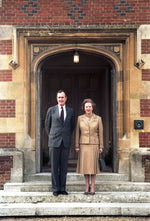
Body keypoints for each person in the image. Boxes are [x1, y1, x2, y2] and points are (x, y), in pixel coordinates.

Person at [45, 89, 75, 196]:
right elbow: (47, 126)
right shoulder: (51, 110)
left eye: (62, 97)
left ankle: (62, 188)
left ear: (66, 98)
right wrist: (53, 136)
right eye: (59, 97)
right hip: (54, 142)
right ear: (56, 98)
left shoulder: (71, 111)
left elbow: (72, 126)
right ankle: (55, 189)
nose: (61, 99)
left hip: (65, 142)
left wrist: (65, 136)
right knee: (54, 167)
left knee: (63, 167)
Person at [75, 98, 104, 195]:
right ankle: (87, 186)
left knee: (93, 167)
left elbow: (101, 133)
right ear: (83, 108)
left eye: (90, 106)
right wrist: (77, 145)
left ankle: (93, 186)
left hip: (94, 144)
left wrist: (101, 146)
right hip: (83, 145)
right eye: (86, 107)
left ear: (92, 107)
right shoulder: (80, 118)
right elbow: (77, 133)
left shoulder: (98, 118)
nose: (88, 108)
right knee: (85, 167)